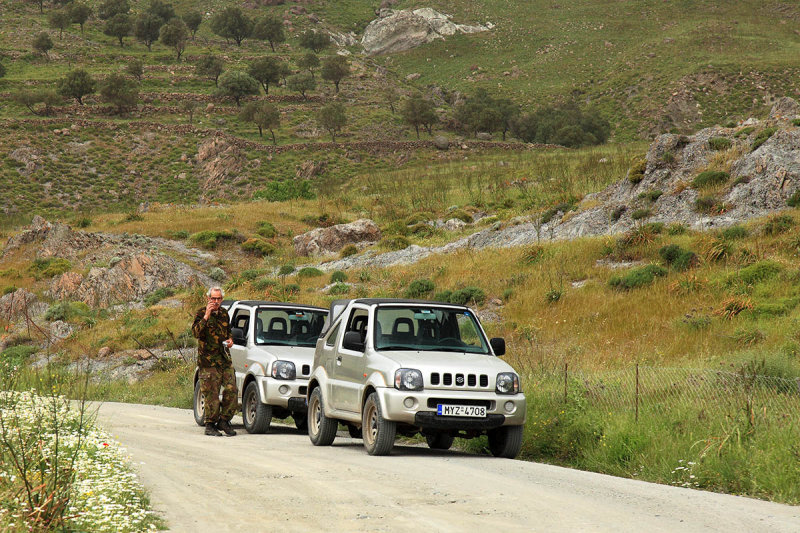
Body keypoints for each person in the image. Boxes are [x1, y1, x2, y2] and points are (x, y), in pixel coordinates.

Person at [192, 286, 238, 437]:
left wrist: (230, 341)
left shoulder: (224, 314)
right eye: (213, 299)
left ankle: (224, 420)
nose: (216, 302)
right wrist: (206, 315)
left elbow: (228, 333)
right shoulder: (201, 313)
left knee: (232, 389)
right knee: (211, 393)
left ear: (222, 299)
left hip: (224, 359)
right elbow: (196, 333)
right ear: (208, 299)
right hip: (208, 361)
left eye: (218, 299)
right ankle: (210, 424)